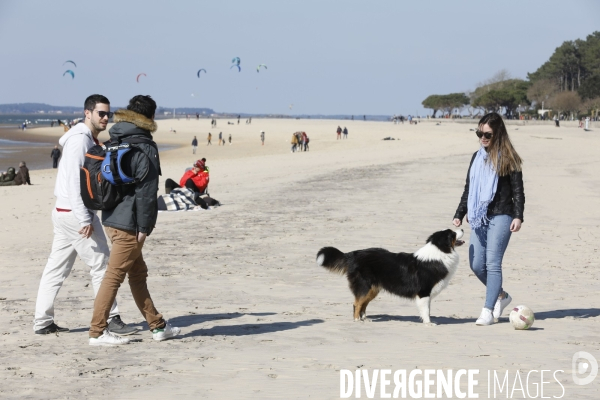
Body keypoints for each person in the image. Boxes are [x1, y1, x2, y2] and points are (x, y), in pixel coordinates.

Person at [34, 94, 137, 336]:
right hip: (74, 213)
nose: (105, 118)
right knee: (102, 263)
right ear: (87, 113)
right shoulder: (80, 140)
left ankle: (42, 321)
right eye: (100, 113)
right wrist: (84, 218)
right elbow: (73, 182)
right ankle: (110, 318)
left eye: (107, 114)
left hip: (64, 212)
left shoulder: (85, 138)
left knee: (56, 268)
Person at [89, 95, 181, 346]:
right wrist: (144, 228)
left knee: (138, 273)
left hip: (110, 217)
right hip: (130, 224)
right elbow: (147, 192)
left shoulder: (115, 138)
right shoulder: (145, 146)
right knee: (114, 276)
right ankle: (97, 332)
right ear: (150, 117)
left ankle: (158, 326)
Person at [452, 112, 525, 326]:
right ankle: (501, 296)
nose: (483, 138)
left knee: (493, 263)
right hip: (479, 217)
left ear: (498, 133)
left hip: (502, 214)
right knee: (476, 265)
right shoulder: (476, 158)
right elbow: (469, 189)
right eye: (479, 133)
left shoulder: (510, 158)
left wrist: (518, 216)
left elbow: (518, 191)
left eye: (487, 134)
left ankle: (488, 310)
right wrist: (459, 213)